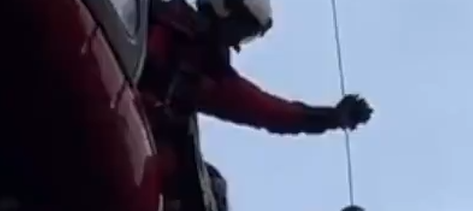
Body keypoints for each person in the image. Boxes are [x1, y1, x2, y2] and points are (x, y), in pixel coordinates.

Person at [140, 0, 373, 184]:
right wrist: (332, 118)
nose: (237, 41)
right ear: (226, 7)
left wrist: (330, 117)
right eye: (242, 29)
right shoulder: (204, 67)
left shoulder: (210, 75)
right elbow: (271, 112)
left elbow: (270, 111)